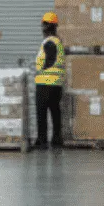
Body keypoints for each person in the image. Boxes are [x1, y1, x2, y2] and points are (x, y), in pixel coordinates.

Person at [32, 11, 65, 150]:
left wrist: (39, 69)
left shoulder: (50, 42)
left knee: (42, 113)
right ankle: (57, 139)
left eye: (43, 25)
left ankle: (42, 140)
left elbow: (49, 61)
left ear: (46, 27)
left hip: (45, 83)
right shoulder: (58, 41)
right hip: (56, 84)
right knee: (55, 111)